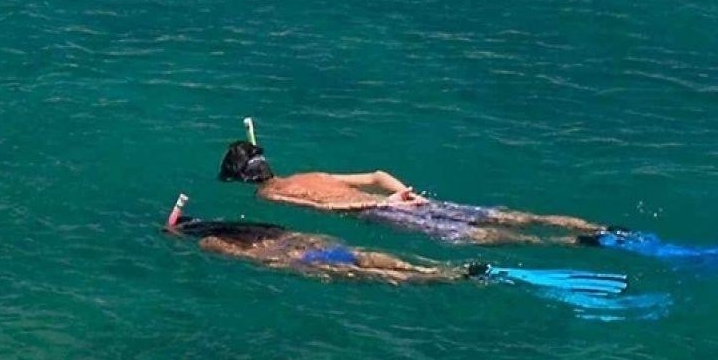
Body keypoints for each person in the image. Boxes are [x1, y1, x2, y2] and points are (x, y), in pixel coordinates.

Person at [217, 138, 606, 247]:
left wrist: (385, 205)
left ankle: (574, 242)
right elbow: (377, 173)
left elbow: (328, 211)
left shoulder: (267, 197)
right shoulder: (313, 172)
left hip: (379, 211)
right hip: (404, 201)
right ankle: (592, 226)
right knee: (491, 213)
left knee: (473, 236)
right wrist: (406, 194)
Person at [164, 195, 478, 283]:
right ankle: (434, 268)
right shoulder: (255, 226)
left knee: (366, 274)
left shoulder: (210, 242)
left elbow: (252, 258)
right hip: (316, 244)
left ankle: (442, 278)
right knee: (364, 257)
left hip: (297, 258)